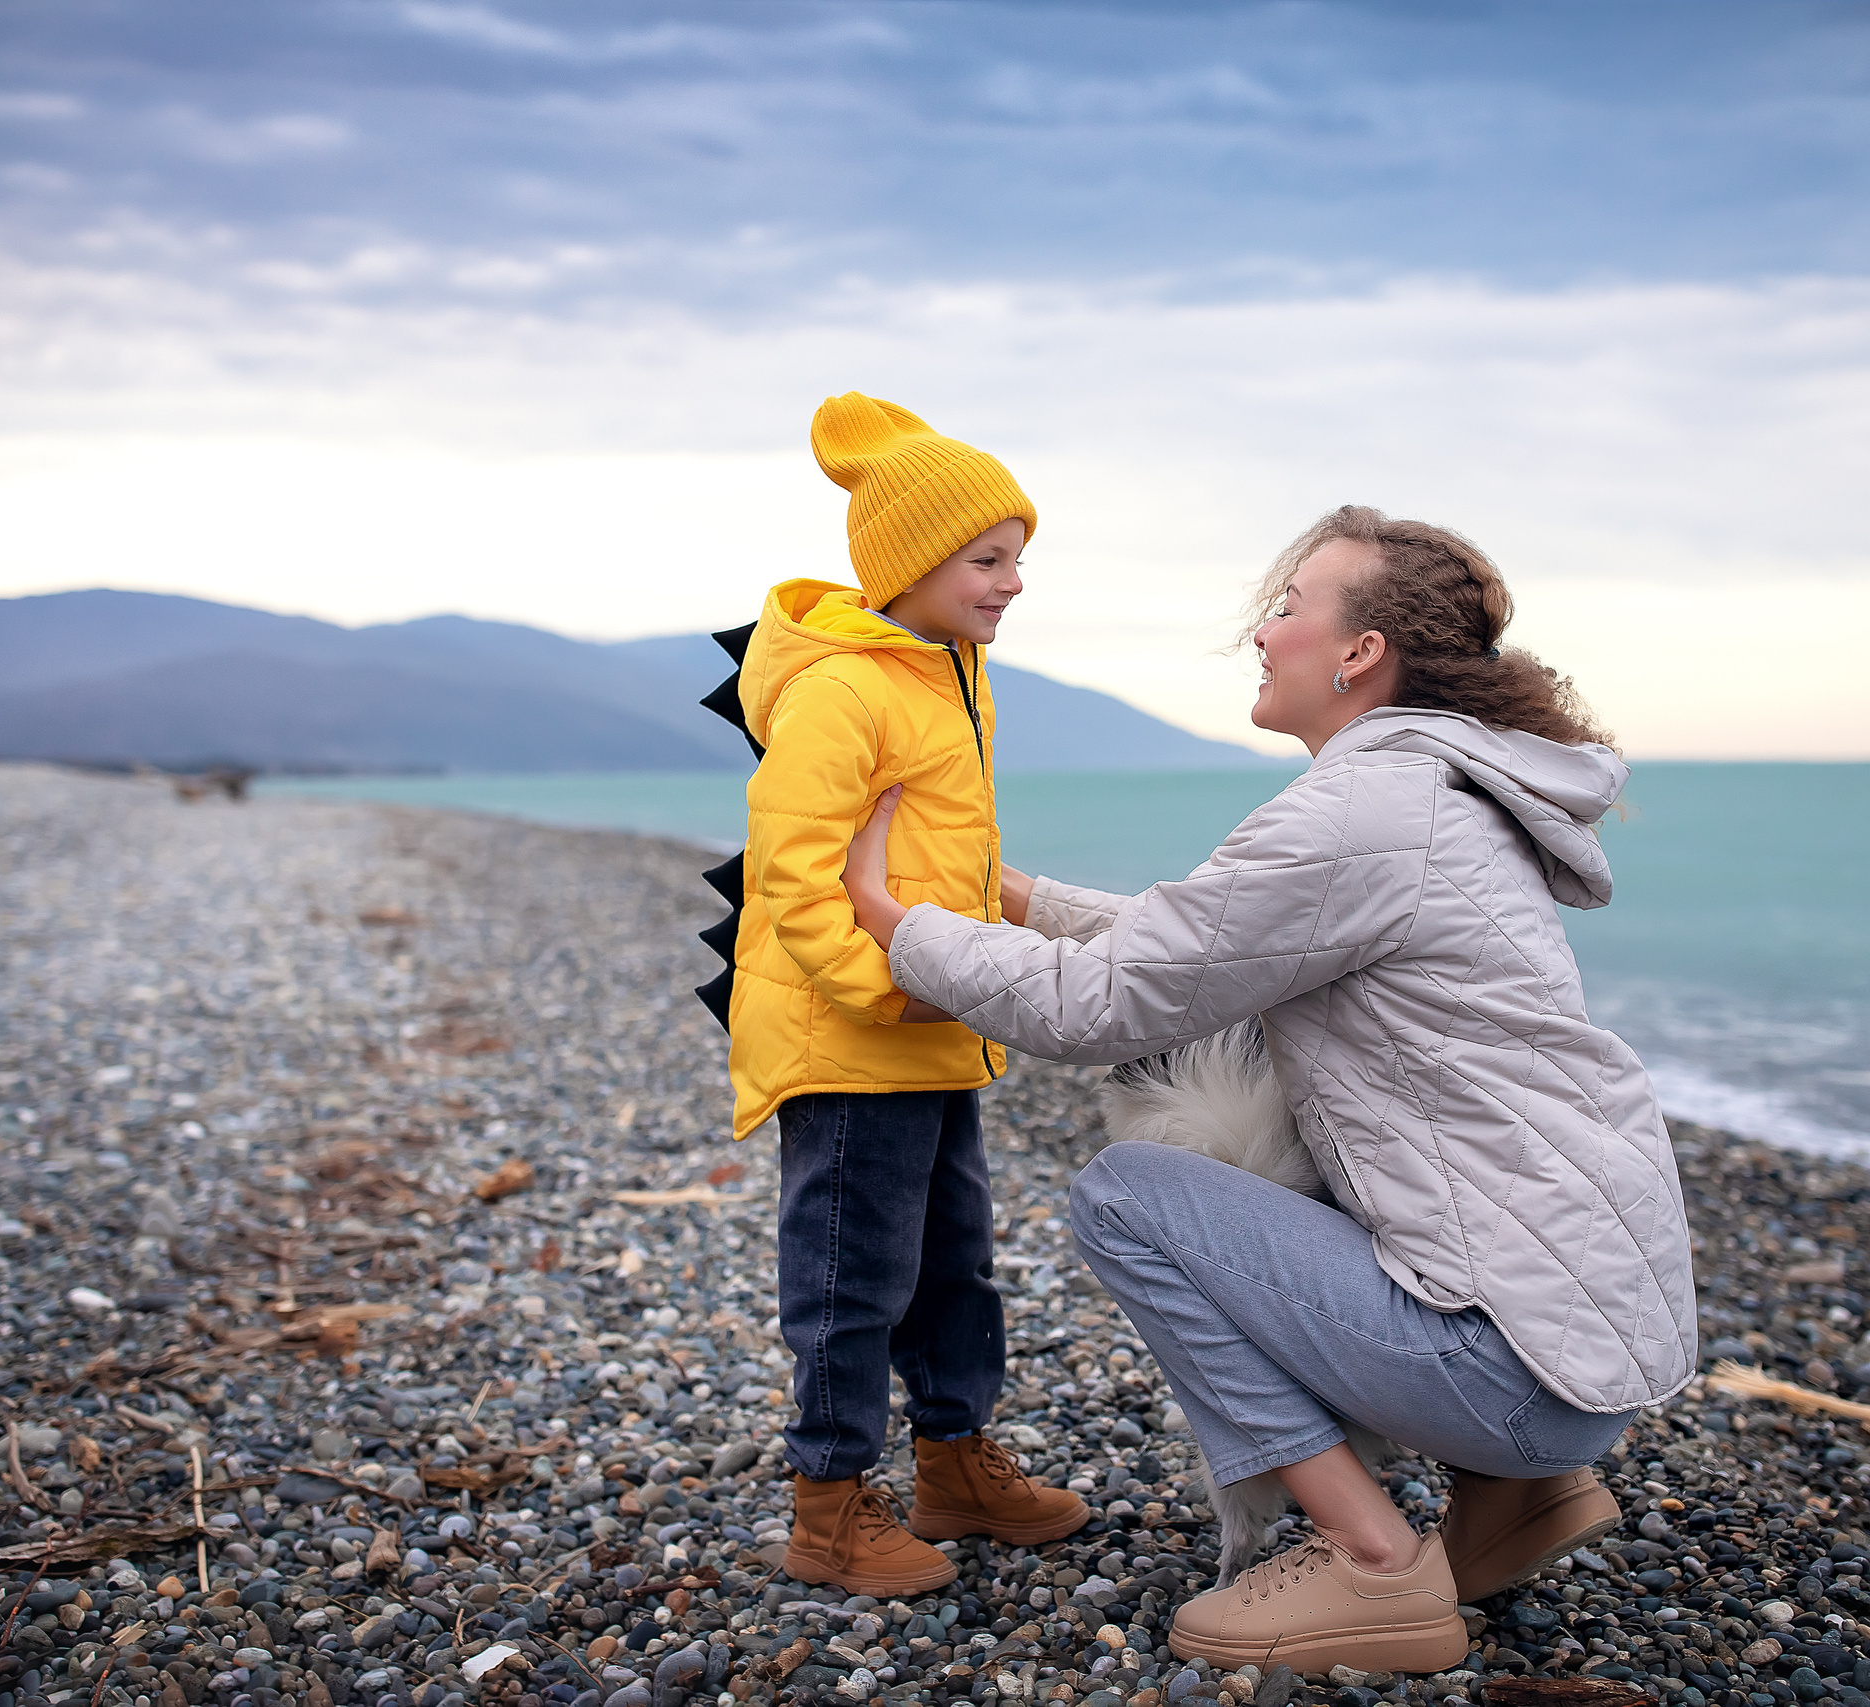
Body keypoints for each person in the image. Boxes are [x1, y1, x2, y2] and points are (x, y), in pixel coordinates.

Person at [842, 507, 1698, 1674]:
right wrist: (1017, 897)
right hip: (1568, 1349)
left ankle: (1374, 1563)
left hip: (1511, 1369)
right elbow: (1215, 947)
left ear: (1359, 654)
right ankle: (1518, 1501)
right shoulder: (1435, 796)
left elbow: (1100, 1009)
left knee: (1127, 1196)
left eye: (1290, 606)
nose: (1263, 631)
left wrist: (903, 930)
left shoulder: (1361, 812)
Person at [726, 393, 1090, 1598]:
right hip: (855, 1038)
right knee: (848, 1277)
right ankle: (827, 1506)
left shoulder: (948, 673)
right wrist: (886, 989)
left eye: (1016, 560)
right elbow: (792, 869)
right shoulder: (845, 688)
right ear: (914, 562)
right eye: (989, 559)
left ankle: (952, 1465)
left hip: (939, 1035)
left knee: (954, 1266)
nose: (1012, 584)